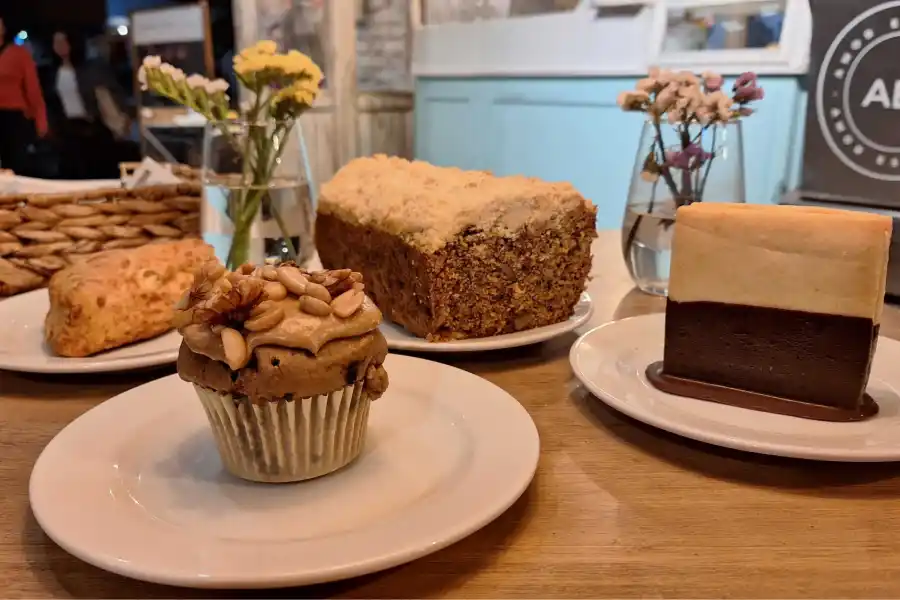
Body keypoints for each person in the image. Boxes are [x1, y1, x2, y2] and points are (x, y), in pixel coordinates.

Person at [41, 29, 136, 179]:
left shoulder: (90, 69)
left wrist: (120, 122)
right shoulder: (53, 72)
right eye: (56, 43)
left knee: (97, 170)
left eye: (63, 42)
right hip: (68, 129)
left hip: (93, 127)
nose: (59, 46)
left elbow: (107, 96)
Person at [0, 13, 47, 174]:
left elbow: (33, 89)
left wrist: (41, 121)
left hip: (13, 116)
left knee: (15, 164)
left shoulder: (19, 54)